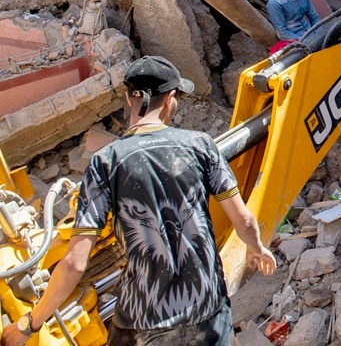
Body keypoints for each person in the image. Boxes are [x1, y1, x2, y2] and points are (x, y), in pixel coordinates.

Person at [2, 56, 277, 346]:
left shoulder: (105, 162)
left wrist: (29, 326)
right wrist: (256, 248)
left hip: (143, 323)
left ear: (127, 98)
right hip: (207, 311)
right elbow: (244, 220)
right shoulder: (201, 145)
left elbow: (74, 263)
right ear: (171, 98)